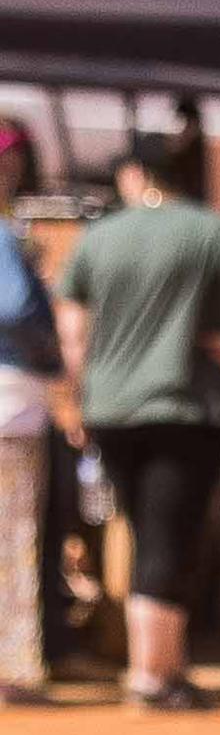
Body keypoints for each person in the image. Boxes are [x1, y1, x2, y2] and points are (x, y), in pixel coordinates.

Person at [53, 132, 220, 709]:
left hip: (111, 410)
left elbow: (70, 330)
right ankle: (149, 676)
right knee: (171, 537)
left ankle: (165, 665)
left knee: (145, 530)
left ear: (134, 176)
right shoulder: (206, 230)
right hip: (183, 407)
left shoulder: (99, 237)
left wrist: (79, 399)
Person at [0, 120, 53, 700]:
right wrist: (49, 346)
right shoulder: (3, 235)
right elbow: (13, 306)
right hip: (8, 402)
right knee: (10, 538)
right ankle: (12, 669)